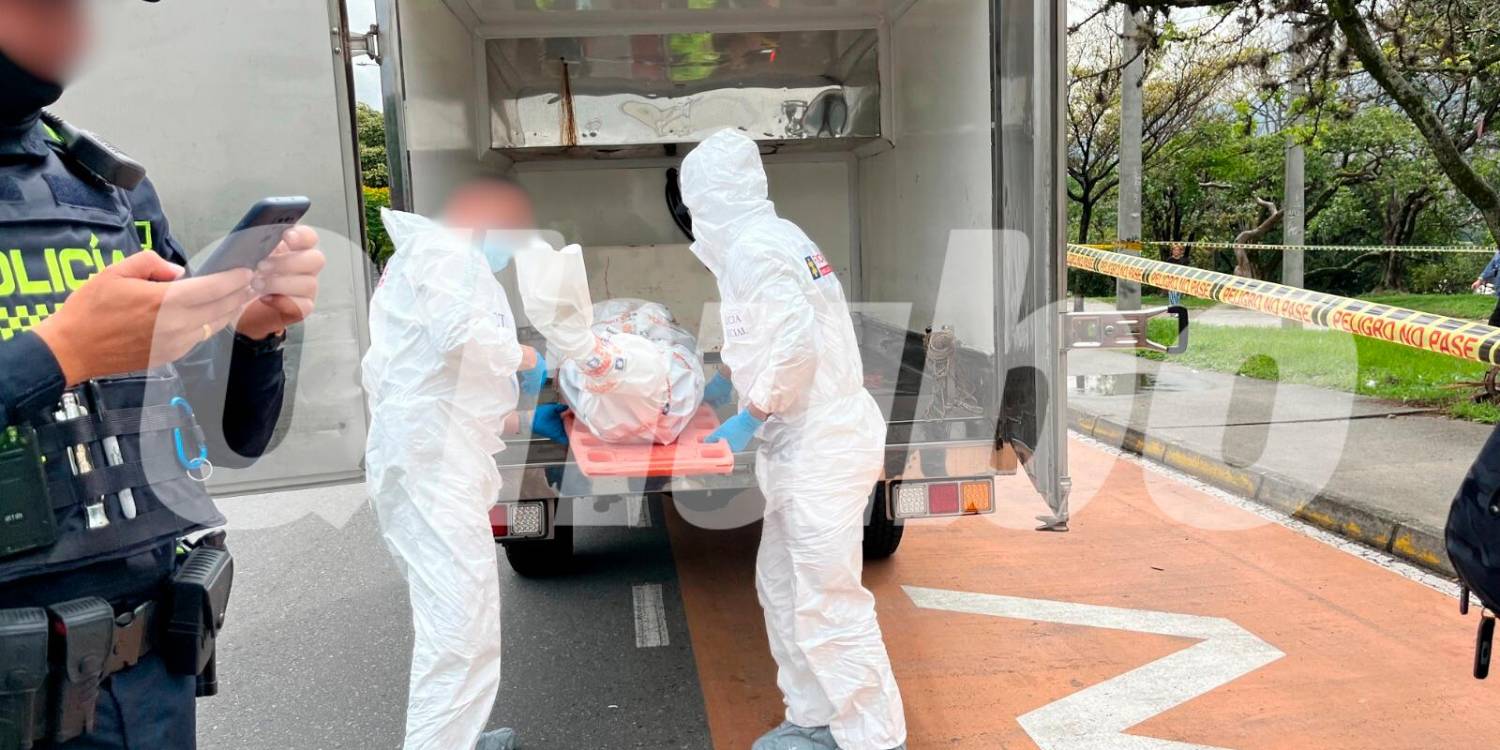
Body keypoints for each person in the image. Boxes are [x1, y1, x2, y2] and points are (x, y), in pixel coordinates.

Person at [0, 1, 326, 748]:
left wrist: (252, 332)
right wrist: (56, 355)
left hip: (146, 684)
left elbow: (224, 432)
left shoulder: (106, 189)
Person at [679, 129, 907, 750]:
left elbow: (796, 349)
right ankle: (812, 718)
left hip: (821, 444)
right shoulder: (771, 241)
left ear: (711, 199)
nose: (696, 219)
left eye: (696, 204)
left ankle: (871, 738)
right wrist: (722, 391)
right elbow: (763, 337)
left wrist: (750, 414)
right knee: (782, 585)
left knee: (829, 600)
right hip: (802, 443)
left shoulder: (756, 249)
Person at [361, 178, 549, 750]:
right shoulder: (447, 255)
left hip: (430, 456)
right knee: (458, 630)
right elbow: (460, 340)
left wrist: (521, 420)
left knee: (456, 619)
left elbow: (442, 381)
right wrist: (530, 356)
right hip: (431, 467)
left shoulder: (432, 258)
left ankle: (459, 738)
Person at [1472, 249, 1500, 326]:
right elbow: (1492, 266)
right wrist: (1480, 280)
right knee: (1495, 321)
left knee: (1495, 321)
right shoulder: (1498, 253)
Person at [1163, 242, 1189, 308]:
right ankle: (1172, 311)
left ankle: (1176, 310)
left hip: (1180, 280)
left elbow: (1185, 271)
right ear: (1172, 251)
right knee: (1172, 295)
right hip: (1171, 280)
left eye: (1177, 250)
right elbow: (1166, 271)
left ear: (1180, 251)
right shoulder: (1169, 260)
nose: (1176, 251)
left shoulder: (1183, 260)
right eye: (1174, 250)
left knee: (1177, 296)